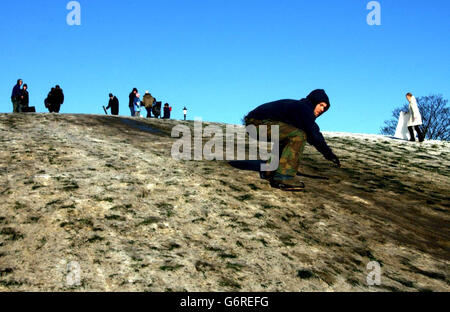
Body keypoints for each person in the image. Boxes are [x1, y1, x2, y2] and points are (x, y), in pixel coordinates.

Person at [244, 89, 340, 191]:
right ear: (314, 101)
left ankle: (269, 171)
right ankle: (283, 178)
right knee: (298, 136)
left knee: (289, 135)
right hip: (257, 124)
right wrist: (329, 154)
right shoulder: (304, 109)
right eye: (321, 105)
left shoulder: (299, 108)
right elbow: (314, 134)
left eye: (325, 108)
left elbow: (313, 132)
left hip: (254, 124)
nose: (322, 109)